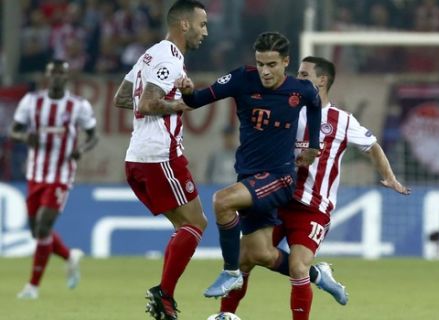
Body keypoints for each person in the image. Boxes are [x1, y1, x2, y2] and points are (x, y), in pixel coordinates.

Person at [219, 56, 411, 320]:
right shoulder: (286, 108)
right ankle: (225, 315)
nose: (297, 79)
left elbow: (373, 146)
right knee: (246, 257)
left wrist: (389, 178)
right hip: (276, 196)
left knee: (298, 268)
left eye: (304, 74)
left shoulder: (342, 120)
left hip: (312, 207)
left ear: (322, 80)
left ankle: (311, 281)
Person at [175, 31, 322, 298]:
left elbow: (315, 102)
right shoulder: (242, 78)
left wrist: (314, 146)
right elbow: (196, 100)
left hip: (280, 178)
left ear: (286, 62)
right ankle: (319, 275)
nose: (265, 71)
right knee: (260, 253)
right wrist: (187, 91)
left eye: (272, 65)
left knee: (222, 201)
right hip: (249, 177)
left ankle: (230, 272)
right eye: (261, 63)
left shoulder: (299, 89)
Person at [112, 1, 208, 319]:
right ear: (184, 25)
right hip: (159, 156)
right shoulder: (168, 56)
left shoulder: (151, 53)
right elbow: (149, 103)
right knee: (196, 223)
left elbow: (123, 97)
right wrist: (183, 103)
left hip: (138, 157)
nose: (204, 32)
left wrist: (173, 94)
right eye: (201, 24)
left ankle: (164, 299)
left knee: (185, 226)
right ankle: (164, 296)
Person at [11, 59, 98, 299]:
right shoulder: (31, 102)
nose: (57, 77)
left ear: (67, 77)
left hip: (61, 174)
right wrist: (24, 137)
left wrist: (81, 149)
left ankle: (32, 287)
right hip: (36, 173)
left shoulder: (78, 105)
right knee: (36, 232)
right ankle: (69, 256)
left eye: (62, 73)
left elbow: (93, 136)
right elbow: (14, 129)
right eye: (54, 73)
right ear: (47, 76)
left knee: (43, 225)